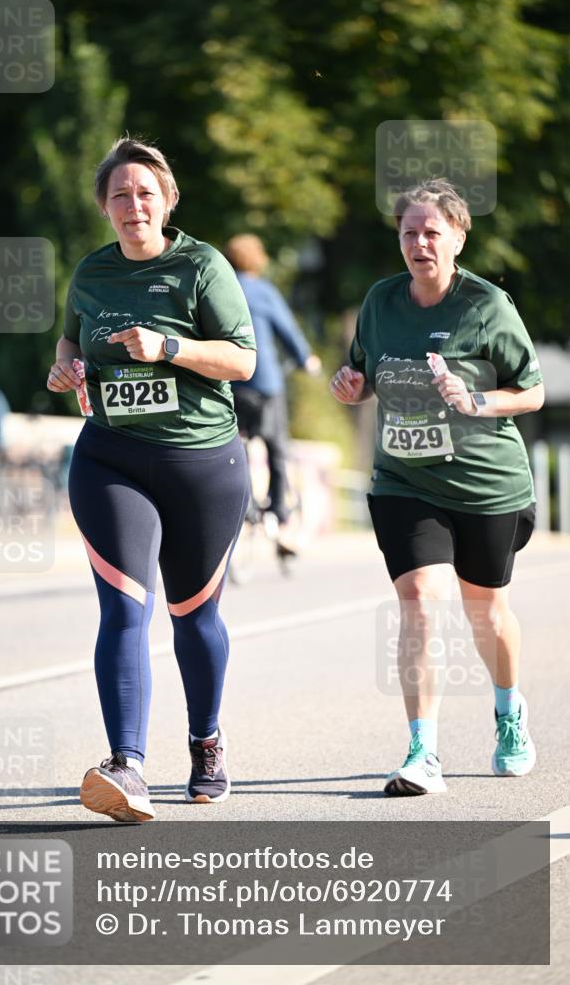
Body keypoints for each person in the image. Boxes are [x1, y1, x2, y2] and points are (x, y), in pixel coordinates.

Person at [47, 137, 256, 822]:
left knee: (193, 616)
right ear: (104, 207)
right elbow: (71, 339)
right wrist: (65, 367)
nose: (133, 205)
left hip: (201, 464)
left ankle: (206, 742)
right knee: (123, 609)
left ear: (167, 200)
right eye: (119, 195)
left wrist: (170, 347)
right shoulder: (91, 272)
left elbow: (242, 361)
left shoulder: (201, 266)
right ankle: (127, 766)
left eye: (145, 193)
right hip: (110, 458)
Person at [330, 178, 544, 796]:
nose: (419, 243)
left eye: (431, 232)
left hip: (484, 484)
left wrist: (475, 400)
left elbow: (531, 390)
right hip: (405, 480)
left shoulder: (486, 306)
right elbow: (364, 374)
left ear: (457, 238)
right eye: (409, 232)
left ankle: (509, 712)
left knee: (486, 611)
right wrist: (353, 387)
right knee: (421, 600)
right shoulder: (381, 301)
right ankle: (422, 751)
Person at [224, 234, 321, 550]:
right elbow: (287, 330)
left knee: (235, 445)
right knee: (277, 447)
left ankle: (244, 506)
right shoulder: (263, 290)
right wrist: (306, 359)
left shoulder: (220, 288)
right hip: (263, 381)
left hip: (229, 381)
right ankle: (280, 516)